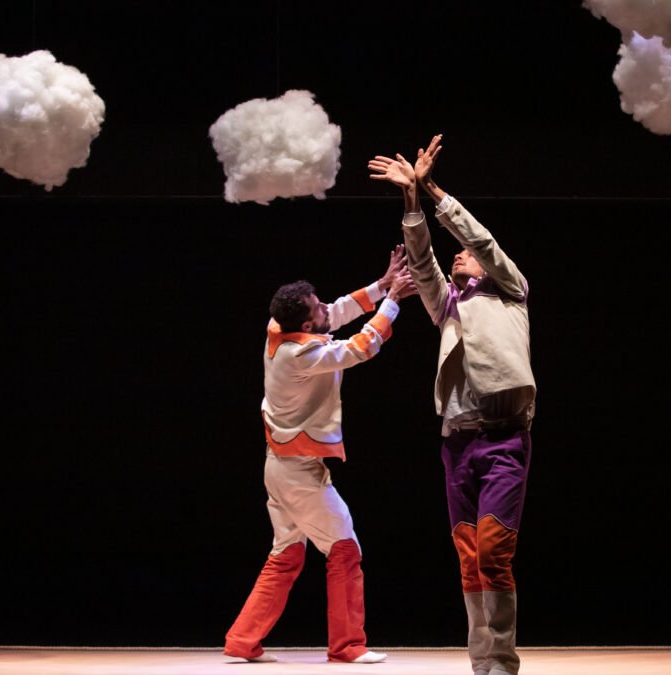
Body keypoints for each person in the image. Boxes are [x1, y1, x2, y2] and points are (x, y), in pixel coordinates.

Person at [368, 135, 535, 675]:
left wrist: (434, 189)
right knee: (469, 558)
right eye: (456, 254)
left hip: (504, 437)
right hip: (457, 443)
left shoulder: (510, 291)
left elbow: (479, 239)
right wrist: (410, 198)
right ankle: (481, 664)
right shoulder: (448, 307)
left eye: (465, 255)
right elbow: (422, 262)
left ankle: (501, 663)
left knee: (493, 551)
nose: (458, 255)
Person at [222, 249, 416, 665]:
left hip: (281, 467)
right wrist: (393, 301)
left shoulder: (280, 327)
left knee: (287, 553)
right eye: (317, 308)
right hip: (296, 473)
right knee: (344, 547)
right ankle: (347, 646)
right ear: (307, 325)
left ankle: (243, 639)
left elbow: (336, 311)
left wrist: (381, 285)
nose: (326, 307)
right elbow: (361, 346)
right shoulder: (300, 355)